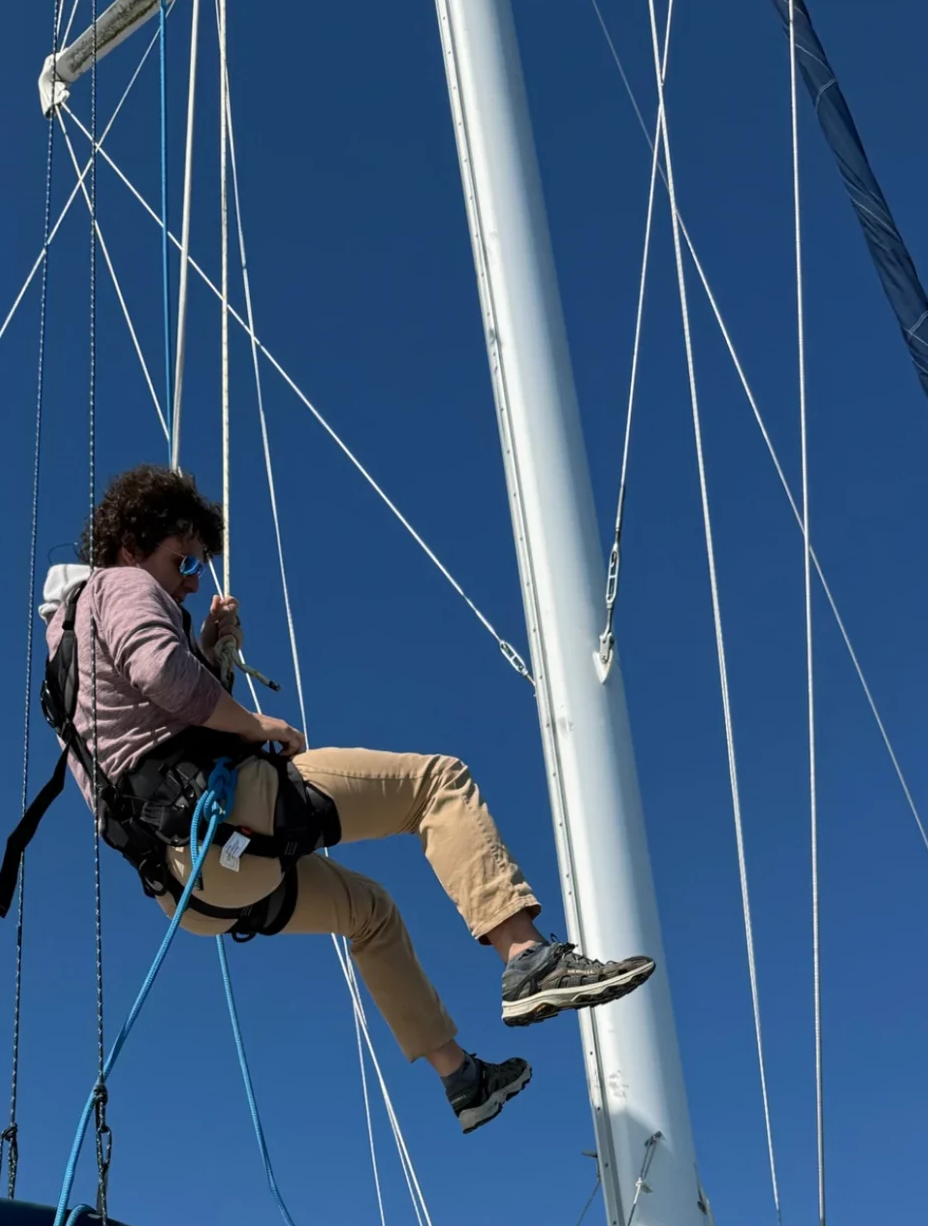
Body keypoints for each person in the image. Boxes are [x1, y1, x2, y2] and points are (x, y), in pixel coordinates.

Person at [37, 465, 655, 1133]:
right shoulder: (122, 584)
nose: (191, 579)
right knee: (437, 783)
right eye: (181, 560)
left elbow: (150, 719)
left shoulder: (67, 640)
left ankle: (462, 1080)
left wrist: (210, 648)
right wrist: (257, 725)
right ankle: (527, 957)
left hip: (188, 884)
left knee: (371, 914)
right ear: (130, 545)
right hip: (230, 813)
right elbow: (159, 672)